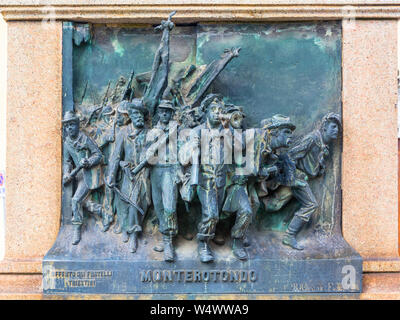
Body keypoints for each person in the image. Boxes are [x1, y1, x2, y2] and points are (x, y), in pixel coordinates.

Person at [281, 112, 341, 250]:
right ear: (325, 127)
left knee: (275, 203)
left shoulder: (323, 145)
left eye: (338, 127)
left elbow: (314, 167)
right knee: (310, 204)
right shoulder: (312, 139)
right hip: (297, 177)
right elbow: (291, 155)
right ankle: (289, 236)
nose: (336, 130)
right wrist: (294, 176)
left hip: (306, 178)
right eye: (333, 127)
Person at [179, 94, 228, 263]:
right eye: (213, 110)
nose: (217, 113)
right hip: (204, 179)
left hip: (221, 180)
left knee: (217, 213)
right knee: (212, 214)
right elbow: (185, 156)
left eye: (220, 110)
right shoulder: (197, 131)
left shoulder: (227, 133)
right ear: (206, 112)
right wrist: (194, 147)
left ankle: (215, 235)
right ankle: (203, 244)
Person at [106, 99, 151, 253]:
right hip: (126, 172)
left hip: (143, 173)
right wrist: (113, 173)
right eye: (135, 114)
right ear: (130, 115)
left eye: (141, 114)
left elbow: (153, 156)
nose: (139, 117)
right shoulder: (123, 132)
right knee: (124, 200)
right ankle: (125, 226)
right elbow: (116, 156)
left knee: (136, 202)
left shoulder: (149, 133)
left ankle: (133, 234)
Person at [146, 100, 181, 262]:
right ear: (158, 113)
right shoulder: (152, 132)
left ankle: (168, 243)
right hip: (155, 171)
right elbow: (146, 153)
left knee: (169, 208)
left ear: (172, 113)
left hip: (170, 170)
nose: (165, 114)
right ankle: (164, 237)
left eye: (168, 111)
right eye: (162, 111)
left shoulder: (178, 130)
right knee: (159, 207)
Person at [62, 111, 104, 245]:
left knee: (75, 200)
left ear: (77, 125)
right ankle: (101, 211)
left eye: (72, 125)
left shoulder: (85, 139)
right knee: (80, 202)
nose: (69, 128)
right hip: (77, 176)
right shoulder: (67, 143)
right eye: (67, 126)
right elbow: (67, 162)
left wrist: (89, 162)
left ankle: (76, 229)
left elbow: (98, 155)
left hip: (88, 175)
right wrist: (66, 173)